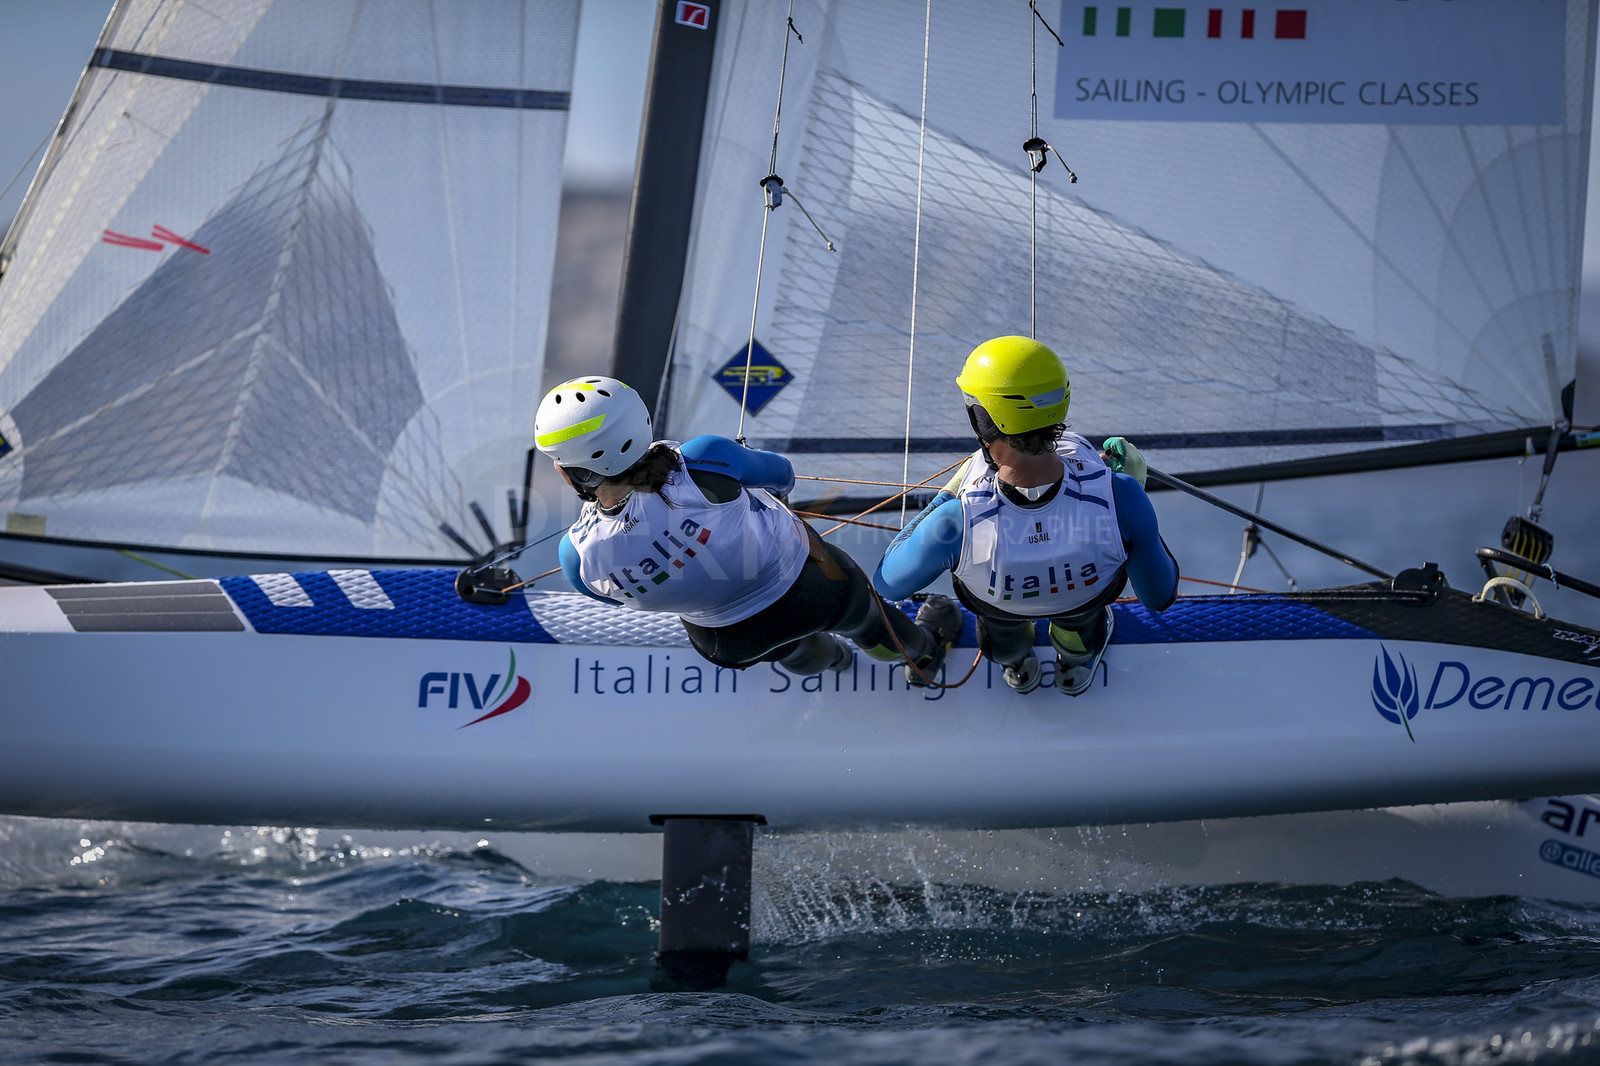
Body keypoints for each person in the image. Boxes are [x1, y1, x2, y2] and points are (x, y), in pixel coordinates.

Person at [535, 375, 962, 683]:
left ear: (572, 473)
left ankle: (832, 663)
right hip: (811, 588)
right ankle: (922, 655)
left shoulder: (576, 557)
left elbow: (618, 600)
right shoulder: (702, 459)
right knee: (866, 620)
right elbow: (783, 477)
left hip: (726, 640)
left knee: (786, 646)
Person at [872, 336, 1178, 695]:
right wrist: (1132, 489)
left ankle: (1017, 665)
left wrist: (947, 495)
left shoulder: (957, 521)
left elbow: (886, 583)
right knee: (1080, 620)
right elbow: (1159, 596)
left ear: (982, 418)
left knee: (1001, 629)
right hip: (1086, 600)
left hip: (1000, 610)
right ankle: (1075, 667)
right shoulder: (1121, 494)